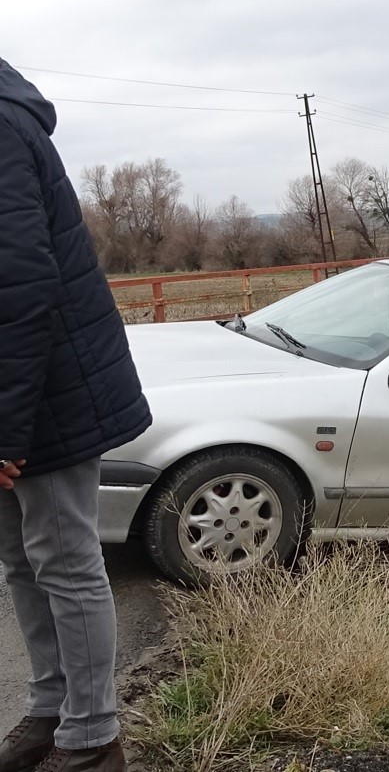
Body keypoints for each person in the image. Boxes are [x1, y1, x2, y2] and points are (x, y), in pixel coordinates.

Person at [1, 59, 151, 772]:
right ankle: (51, 705)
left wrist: (5, 431)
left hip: (49, 389)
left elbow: (21, 289)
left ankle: (93, 738)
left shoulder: (0, 123)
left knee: (64, 560)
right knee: (20, 562)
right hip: (13, 389)